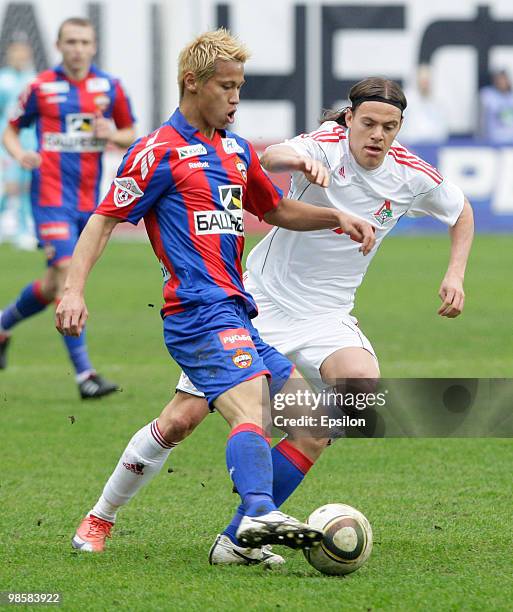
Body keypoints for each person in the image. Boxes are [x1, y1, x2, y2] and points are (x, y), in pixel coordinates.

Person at [62, 74, 473, 566]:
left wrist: (455, 274)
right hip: (256, 304)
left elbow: (461, 210)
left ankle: (240, 535)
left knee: (343, 404)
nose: (378, 135)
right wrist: (296, 159)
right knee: (181, 420)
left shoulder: (411, 173)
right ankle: (101, 515)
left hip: (326, 315)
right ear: (348, 120)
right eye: (368, 123)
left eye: (389, 126)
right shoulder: (322, 145)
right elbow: (270, 160)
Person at [55, 29, 376, 558]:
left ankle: (148, 526)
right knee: (250, 405)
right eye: (226, 87)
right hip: (196, 315)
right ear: (192, 83)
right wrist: (73, 290)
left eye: (240, 87)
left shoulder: (235, 150)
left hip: (239, 313)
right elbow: (103, 220)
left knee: (308, 424)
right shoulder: (156, 151)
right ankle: (257, 513)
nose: (235, 98)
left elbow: (274, 211)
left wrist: (335, 217)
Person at [0, 17, 136, 397]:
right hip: (50, 199)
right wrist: (19, 153)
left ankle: (2, 325)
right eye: (71, 41)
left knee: (51, 286)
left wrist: (113, 134)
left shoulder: (110, 88)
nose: (77, 48)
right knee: (65, 274)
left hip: (90, 205)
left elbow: (131, 134)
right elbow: (10, 128)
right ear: (59, 46)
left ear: (93, 47)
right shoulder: (41, 88)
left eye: (84, 42)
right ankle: (85, 376)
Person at [0, 39, 37, 249]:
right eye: (16, 54)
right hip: (7, 143)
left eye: (23, 54)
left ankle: (23, 230)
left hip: (29, 142)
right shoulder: (3, 80)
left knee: (25, 187)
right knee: (10, 187)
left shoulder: (33, 80)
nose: (19, 58)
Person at [400, 64, 449, 144]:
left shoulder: (439, 102)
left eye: (427, 81)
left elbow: (443, 129)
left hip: (434, 145)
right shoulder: (406, 101)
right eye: (422, 81)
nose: (425, 84)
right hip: (411, 145)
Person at [479, 68, 513, 143]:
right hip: (492, 141)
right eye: (498, 79)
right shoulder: (487, 95)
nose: (501, 82)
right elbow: (480, 119)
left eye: (503, 79)